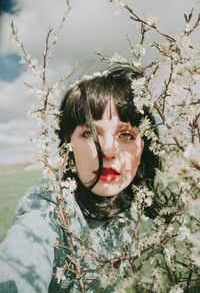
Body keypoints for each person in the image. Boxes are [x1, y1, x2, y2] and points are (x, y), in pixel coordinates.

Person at [0, 66, 160, 292]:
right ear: (69, 145)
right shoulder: (48, 208)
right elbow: (21, 258)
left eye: (126, 135)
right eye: (89, 133)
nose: (108, 150)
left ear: (142, 147)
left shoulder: (133, 201)